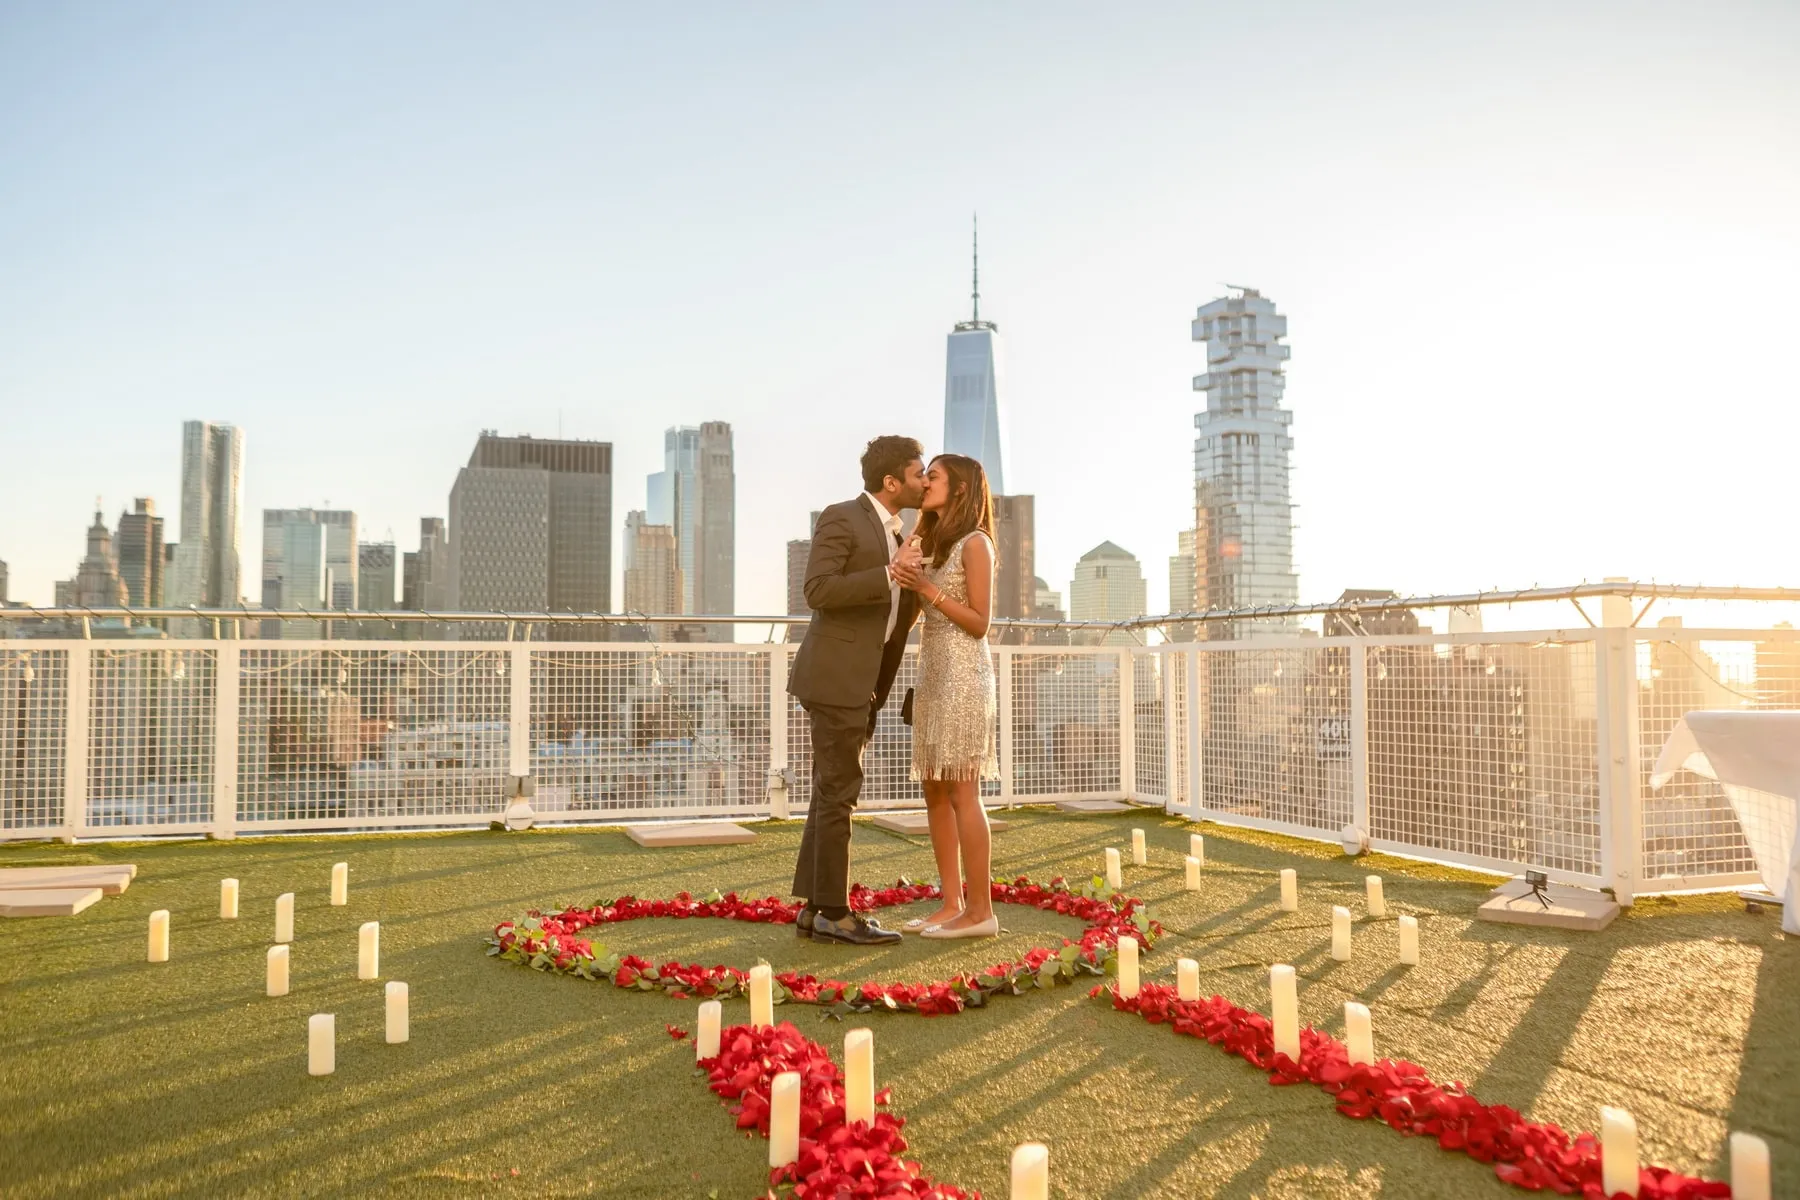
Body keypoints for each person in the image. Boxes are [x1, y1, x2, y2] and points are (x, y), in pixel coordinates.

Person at [787, 435, 926, 946]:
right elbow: (817, 591)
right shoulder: (842, 516)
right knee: (841, 791)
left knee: (830, 790)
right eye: (918, 474)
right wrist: (889, 573)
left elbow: (894, 615)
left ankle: (813, 909)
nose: (924, 481)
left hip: (864, 682)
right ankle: (835, 912)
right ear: (891, 482)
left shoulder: (901, 533)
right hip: (834, 677)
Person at [893, 453, 1000, 939]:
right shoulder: (932, 542)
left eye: (932, 477)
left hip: (964, 679)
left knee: (962, 790)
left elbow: (980, 623)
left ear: (959, 488)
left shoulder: (976, 544)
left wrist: (928, 590)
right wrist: (913, 543)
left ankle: (981, 913)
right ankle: (951, 903)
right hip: (932, 676)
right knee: (934, 788)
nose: (923, 483)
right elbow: (915, 608)